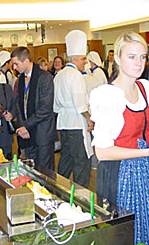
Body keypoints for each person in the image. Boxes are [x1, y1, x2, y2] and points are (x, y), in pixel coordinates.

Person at [90, 32, 149, 245]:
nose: (138, 63)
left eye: (142, 57)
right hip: (120, 174)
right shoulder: (107, 95)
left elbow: (138, 129)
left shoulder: (145, 88)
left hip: (147, 171)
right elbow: (102, 152)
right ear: (118, 59)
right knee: (127, 234)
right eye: (131, 57)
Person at [54, 30, 94, 188]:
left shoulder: (60, 74)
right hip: (76, 123)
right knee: (81, 161)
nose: (85, 62)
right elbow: (80, 103)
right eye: (83, 58)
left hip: (63, 122)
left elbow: (55, 106)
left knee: (66, 159)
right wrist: (89, 118)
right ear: (75, 59)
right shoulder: (76, 75)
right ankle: (81, 195)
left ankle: (57, 188)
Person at [11, 46, 56, 170]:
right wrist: (22, 126)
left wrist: (26, 125)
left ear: (26, 61)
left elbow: (45, 108)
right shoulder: (20, 79)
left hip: (42, 131)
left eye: (16, 64)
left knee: (45, 170)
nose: (14, 67)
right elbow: (18, 104)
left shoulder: (45, 77)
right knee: (31, 169)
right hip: (27, 132)